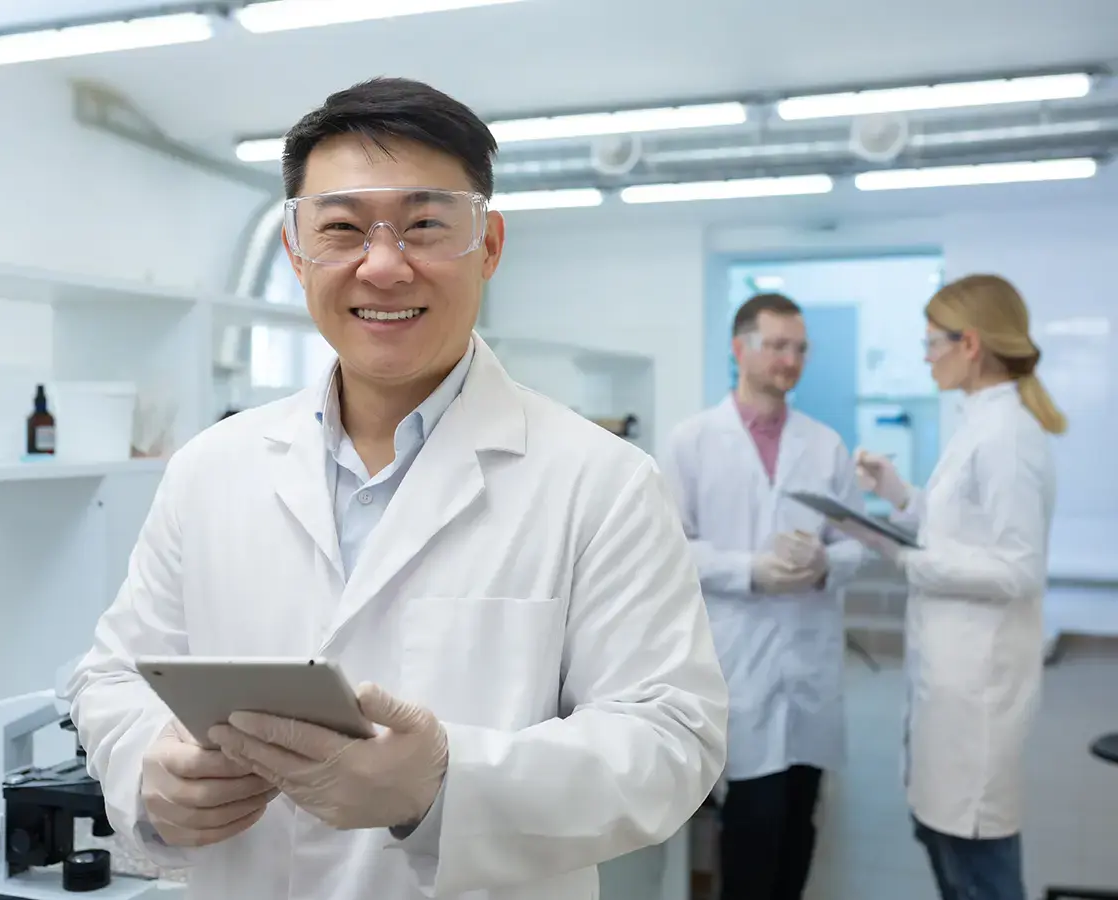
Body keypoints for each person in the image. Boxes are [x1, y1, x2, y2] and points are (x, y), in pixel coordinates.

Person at [65, 77, 729, 900]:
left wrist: (446, 783)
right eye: (341, 228)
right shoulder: (211, 468)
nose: (383, 265)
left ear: (487, 246)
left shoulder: (602, 481)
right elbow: (112, 676)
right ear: (295, 251)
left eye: (424, 226)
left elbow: (671, 738)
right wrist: (146, 769)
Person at [851, 274, 1064, 900]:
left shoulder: (1009, 437)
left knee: (978, 864)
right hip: (951, 678)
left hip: (979, 687)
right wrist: (896, 494)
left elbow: (1017, 569)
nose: (924, 355)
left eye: (930, 342)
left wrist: (904, 557)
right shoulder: (980, 424)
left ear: (968, 343)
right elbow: (961, 528)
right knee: (946, 846)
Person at [661, 292, 867, 900]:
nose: (790, 359)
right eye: (777, 345)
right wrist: (752, 570)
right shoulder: (692, 441)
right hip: (738, 658)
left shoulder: (825, 444)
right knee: (751, 823)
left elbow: (860, 544)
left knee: (800, 822)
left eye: (799, 348)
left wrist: (826, 561)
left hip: (808, 660)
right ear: (740, 348)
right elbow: (672, 549)